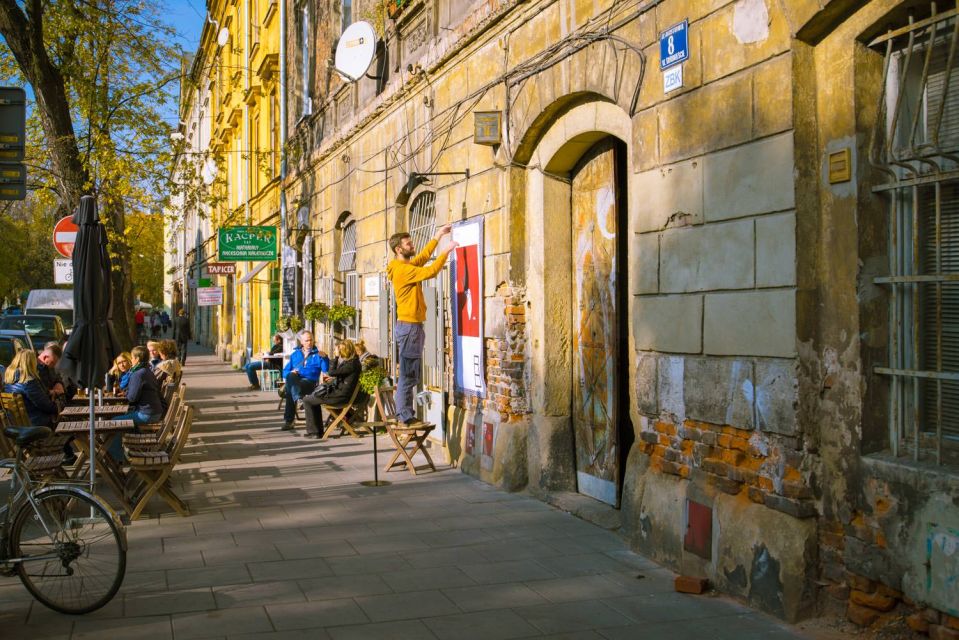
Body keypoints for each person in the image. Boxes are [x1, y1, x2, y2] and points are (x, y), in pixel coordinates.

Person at [386, 224, 457, 426]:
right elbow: (431, 272)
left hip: (410, 326)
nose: (412, 245)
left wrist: (438, 236)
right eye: (408, 243)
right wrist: (446, 251)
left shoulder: (404, 266)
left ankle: (405, 414)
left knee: (411, 372)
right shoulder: (402, 271)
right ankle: (404, 416)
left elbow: (422, 259)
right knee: (408, 374)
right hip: (409, 327)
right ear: (399, 249)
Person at [109, 346, 164, 461]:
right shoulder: (147, 370)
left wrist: (127, 394)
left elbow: (132, 398)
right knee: (121, 419)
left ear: (137, 359)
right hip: (154, 411)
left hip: (147, 414)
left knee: (113, 422)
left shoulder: (138, 374)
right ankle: (128, 451)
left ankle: (116, 458)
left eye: (132, 358)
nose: (131, 360)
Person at [301, 340, 361, 439]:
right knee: (312, 399)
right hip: (340, 393)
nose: (339, 353)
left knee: (307, 400)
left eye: (340, 351)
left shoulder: (351, 364)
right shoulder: (352, 362)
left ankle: (315, 432)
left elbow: (331, 371)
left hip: (340, 396)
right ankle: (317, 431)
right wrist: (334, 378)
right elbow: (342, 375)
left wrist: (336, 357)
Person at [280, 331, 328, 430]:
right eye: (306, 341)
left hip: (309, 382)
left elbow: (325, 370)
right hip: (296, 381)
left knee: (290, 391)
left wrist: (325, 358)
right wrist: (292, 371)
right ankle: (298, 398)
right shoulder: (295, 355)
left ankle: (289, 421)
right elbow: (284, 372)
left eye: (311, 340)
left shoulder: (318, 354)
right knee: (290, 377)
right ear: (301, 342)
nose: (309, 343)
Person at [3, 349, 58, 427]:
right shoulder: (29, 381)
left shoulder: (8, 380)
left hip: (15, 423)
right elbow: (45, 405)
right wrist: (58, 408)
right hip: (36, 423)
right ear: (31, 363)